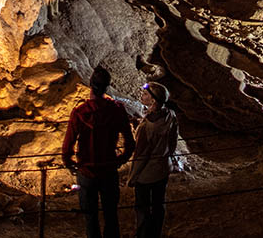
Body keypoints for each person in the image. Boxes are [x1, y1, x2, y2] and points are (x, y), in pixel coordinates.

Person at [63, 66, 136, 238]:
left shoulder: (80, 112)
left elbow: (69, 143)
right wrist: (121, 159)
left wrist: (69, 162)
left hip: (87, 171)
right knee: (111, 216)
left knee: (90, 218)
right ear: (107, 87)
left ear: (91, 86)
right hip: (109, 170)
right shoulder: (117, 110)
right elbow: (130, 142)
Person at [127, 81, 178, 238]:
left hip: (146, 174)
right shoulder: (170, 115)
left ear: (154, 100)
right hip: (162, 168)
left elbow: (141, 155)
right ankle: (155, 233)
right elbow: (172, 143)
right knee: (158, 204)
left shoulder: (147, 127)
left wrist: (132, 177)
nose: (142, 96)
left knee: (142, 207)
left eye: (146, 95)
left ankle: (143, 235)